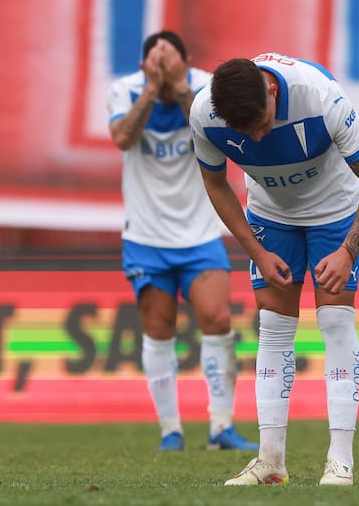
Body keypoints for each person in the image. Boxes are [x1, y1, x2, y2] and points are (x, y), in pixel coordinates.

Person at [189, 53, 359, 485]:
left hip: (333, 212)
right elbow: (214, 182)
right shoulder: (205, 115)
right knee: (273, 327)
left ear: (273, 91)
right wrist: (257, 253)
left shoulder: (321, 97)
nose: (258, 136)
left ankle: (340, 461)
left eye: (262, 122)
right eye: (246, 132)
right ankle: (270, 460)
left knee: (335, 322)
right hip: (270, 217)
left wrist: (348, 251)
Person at [106, 31, 257, 452]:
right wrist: (153, 91)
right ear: (142, 68)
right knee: (158, 329)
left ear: (187, 61)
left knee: (219, 320)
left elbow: (217, 134)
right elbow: (123, 138)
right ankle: (170, 429)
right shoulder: (125, 90)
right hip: (146, 235)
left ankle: (221, 426)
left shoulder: (206, 87)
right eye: (154, 60)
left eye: (171, 58)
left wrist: (180, 89)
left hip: (200, 231)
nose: (163, 64)